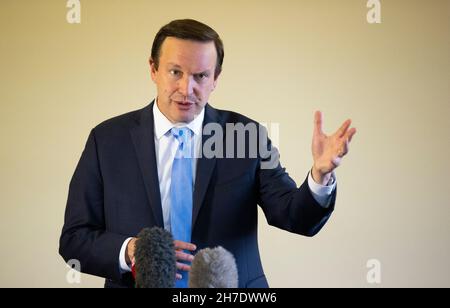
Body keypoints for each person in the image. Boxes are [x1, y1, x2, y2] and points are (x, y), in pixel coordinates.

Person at [59, 19, 356, 288]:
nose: (187, 89)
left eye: (200, 76)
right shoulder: (108, 139)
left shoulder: (246, 136)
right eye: (175, 72)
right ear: (153, 69)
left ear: (216, 78)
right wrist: (131, 250)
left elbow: (294, 216)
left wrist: (320, 174)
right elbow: (75, 239)